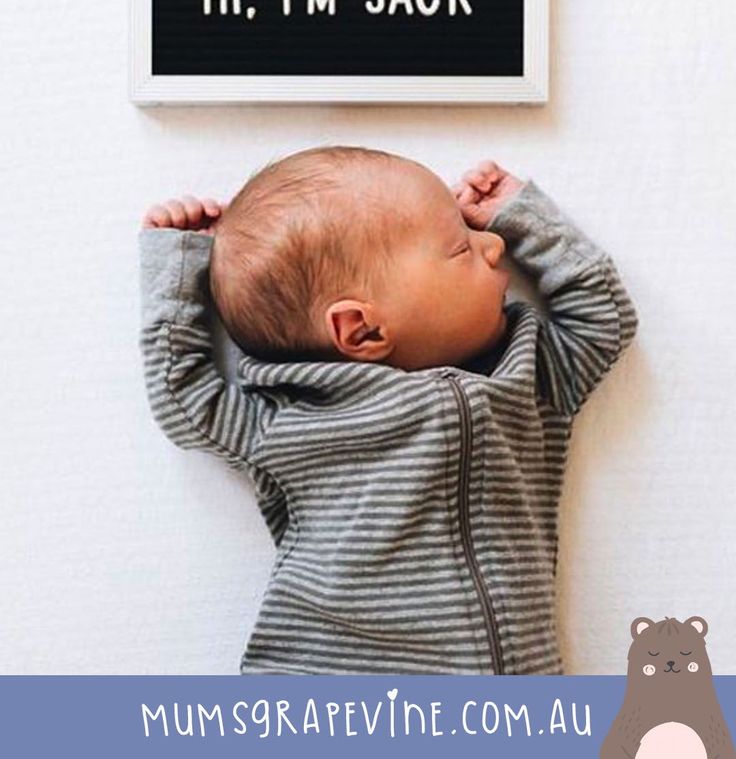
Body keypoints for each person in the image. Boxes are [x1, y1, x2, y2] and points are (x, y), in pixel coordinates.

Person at [139, 148, 636, 674]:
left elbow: (604, 320)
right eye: (459, 248)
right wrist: (179, 268)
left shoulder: (525, 381)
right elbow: (184, 398)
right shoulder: (292, 419)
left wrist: (524, 219)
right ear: (363, 329)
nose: (493, 245)